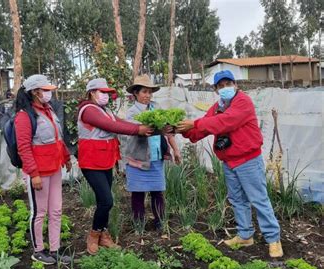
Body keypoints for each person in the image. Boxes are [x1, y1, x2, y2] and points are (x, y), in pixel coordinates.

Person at [176, 70, 283, 258]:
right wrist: (181, 130)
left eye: (228, 84)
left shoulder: (243, 102)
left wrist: (194, 123)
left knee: (258, 199)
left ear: (235, 85)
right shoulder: (218, 106)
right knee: (237, 200)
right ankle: (245, 235)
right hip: (229, 161)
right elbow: (202, 128)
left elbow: (225, 122)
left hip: (248, 159)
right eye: (221, 85)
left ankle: (273, 239)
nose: (225, 88)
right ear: (216, 89)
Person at [77, 78, 153, 255]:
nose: (106, 96)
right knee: (106, 201)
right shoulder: (88, 110)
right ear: (92, 93)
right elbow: (111, 126)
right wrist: (138, 130)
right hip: (91, 161)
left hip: (105, 159)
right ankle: (94, 235)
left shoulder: (106, 110)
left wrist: (141, 127)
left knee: (103, 200)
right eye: (102, 92)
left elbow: (120, 122)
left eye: (107, 93)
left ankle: (103, 235)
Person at [14, 74, 72, 264]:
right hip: (39, 172)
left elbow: (58, 139)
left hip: (54, 169)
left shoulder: (49, 111)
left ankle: (54, 249)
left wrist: (66, 158)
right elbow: (24, 148)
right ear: (34, 92)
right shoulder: (24, 116)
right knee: (39, 212)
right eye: (45, 90)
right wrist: (34, 174)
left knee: (56, 210)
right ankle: (38, 250)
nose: (49, 93)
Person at [124, 75, 182, 232]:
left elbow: (167, 132)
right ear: (136, 93)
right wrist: (158, 129)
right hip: (138, 159)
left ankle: (160, 222)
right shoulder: (131, 113)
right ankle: (139, 225)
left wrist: (176, 150)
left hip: (156, 157)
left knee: (157, 192)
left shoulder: (156, 108)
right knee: (138, 193)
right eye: (144, 92)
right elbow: (140, 131)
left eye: (150, 92)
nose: (148, 96)